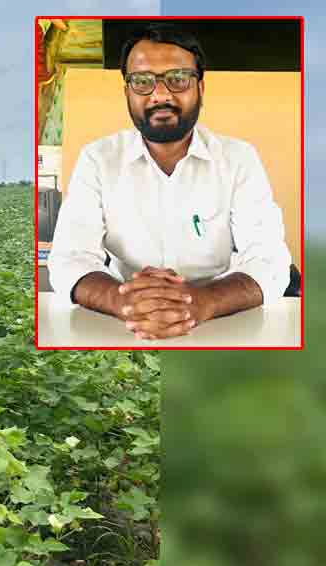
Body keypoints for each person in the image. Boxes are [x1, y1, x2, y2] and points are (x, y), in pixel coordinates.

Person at [48, 23, 292, 341]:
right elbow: (69, 258)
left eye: (177, 79)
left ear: (200, 88)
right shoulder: (97, 158)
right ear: (127, 91)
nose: (160, 95)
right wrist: (123, 301)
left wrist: (202, 302)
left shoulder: (238, 158)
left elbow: (269, 259)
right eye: (142, 82)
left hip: (220, 323)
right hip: (124, 326)